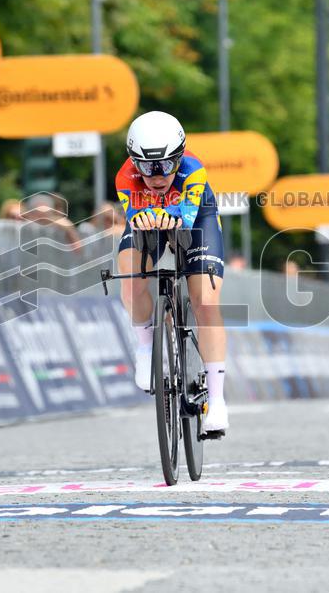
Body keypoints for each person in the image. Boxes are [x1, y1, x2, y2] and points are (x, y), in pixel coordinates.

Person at [116, 111, 228, 433]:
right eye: (146, 167)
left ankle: (217, 400)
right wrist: (146, 216)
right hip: (150, 217)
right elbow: (136, 216)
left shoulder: (194, 171)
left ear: (178, 158)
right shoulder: (125, 178)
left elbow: (187, 219)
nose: (156, 175)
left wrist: (169, 215)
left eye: (165, 165)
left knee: (205, 300)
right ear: (133, 162)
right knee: (131, 279)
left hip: (196, 217)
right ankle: (145, 345)